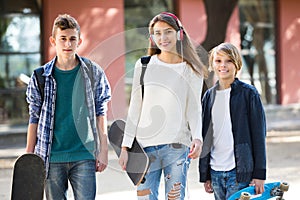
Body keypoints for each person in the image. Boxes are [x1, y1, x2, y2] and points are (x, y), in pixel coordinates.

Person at [118, 12, 207, 200]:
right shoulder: (143, 66)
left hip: (177, 147)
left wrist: (197, 138)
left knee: (174, 197)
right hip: (144, 148)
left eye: (167, 32)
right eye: (157, 33)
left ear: (179, 34)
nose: (162, 38)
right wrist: (126, 147)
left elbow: (194, 109)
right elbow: (135, 107)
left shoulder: (192, 70)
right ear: (151, 37)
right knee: (144, 198)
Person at [25, 14, 111, 199]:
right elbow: (34, 118)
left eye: (72, 39)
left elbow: (100, 112)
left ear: (79, 41)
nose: (67, 44)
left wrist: (103, 150)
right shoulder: (40, 76)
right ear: (53, 41)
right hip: (51, 156)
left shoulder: (93, 72)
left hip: (84, 155)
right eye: (62, 39)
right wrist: (29, 157)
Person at [199, 43, 267, 200]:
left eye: (229, 60)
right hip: (215, 172)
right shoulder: (208, 96)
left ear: (237, 64)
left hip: (240, 172)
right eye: (218, 61)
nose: (223, 65)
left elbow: (259, 136)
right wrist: (206, 174)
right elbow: (206, 136)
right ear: (212, 64)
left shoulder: (249, 94)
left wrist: (259, 174)